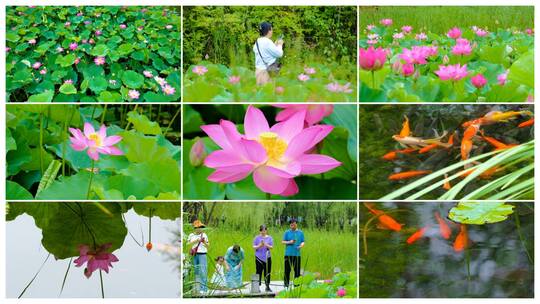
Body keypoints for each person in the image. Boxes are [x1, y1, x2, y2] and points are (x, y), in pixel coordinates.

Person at [187, 220, 210, 294]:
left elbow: (208, 246)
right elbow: (188, 244)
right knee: (195, 271)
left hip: (202, 254)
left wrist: (204, 242)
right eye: (198, 227)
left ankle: (204, 289)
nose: (200, 228)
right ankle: (197, 287)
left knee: (203, 271)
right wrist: (196, 241)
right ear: (195, 228)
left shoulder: (204, 235)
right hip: (194, 254)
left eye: (201, 227)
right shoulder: (191, 235)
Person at [282, 218, 305, 289]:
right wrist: (290, 242)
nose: (292, 226)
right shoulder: (287, 232)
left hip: (297, 254)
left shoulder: (300, 233)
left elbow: (303, 241)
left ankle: (296, 285)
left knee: (297, 271)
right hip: (288, 254)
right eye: (291, 225)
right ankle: (286, 285)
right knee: (287, 270)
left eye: (293, 224)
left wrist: (301, 245)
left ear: (296, 224)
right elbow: (283, 241)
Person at [253, 224, 274, 292]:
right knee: (258, 272)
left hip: (267, 257)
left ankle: (267, 286)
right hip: (259, 257)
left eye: (264, 230)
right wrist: (260, 245)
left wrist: (265, 244)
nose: (263, 232)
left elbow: (271, 247)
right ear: (260, 231)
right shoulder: (257, 238)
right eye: (262, 230)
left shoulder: (270, 238)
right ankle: (257, 287)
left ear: (266, 230)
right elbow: (254, 247)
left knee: (267, 272)